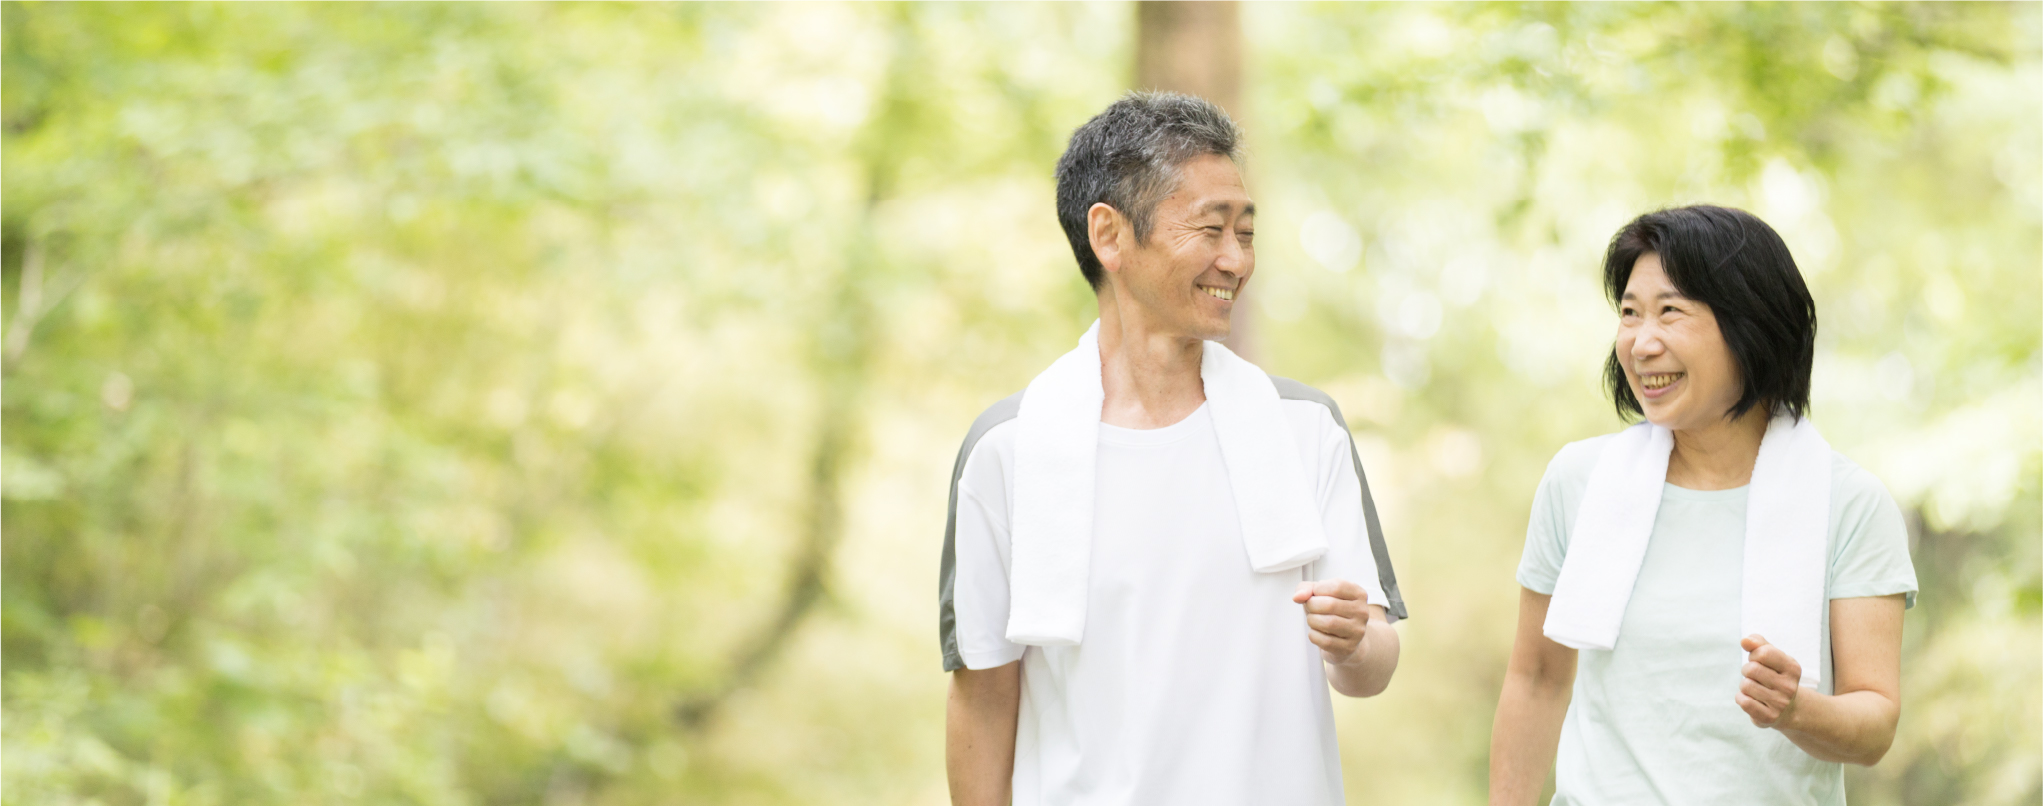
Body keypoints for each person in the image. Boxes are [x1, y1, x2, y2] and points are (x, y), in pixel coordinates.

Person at [937, 92, 1408, 806]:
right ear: (1110, 236)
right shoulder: (1008, 452)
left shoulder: (1304, 430)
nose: (1236, 260)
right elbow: (982, 698)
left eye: (1245, 233)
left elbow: (1370, 666)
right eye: (1211, 229)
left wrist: (1352, 642)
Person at [1488, 205, 1920, 805]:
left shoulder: (1848, 504)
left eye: (1670, 312)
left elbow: (1874, 724)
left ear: (1752, 327)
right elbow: (1535, 679)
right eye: (1630, 314)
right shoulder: (1580, 482)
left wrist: (1797, 712)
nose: (1641, 344)